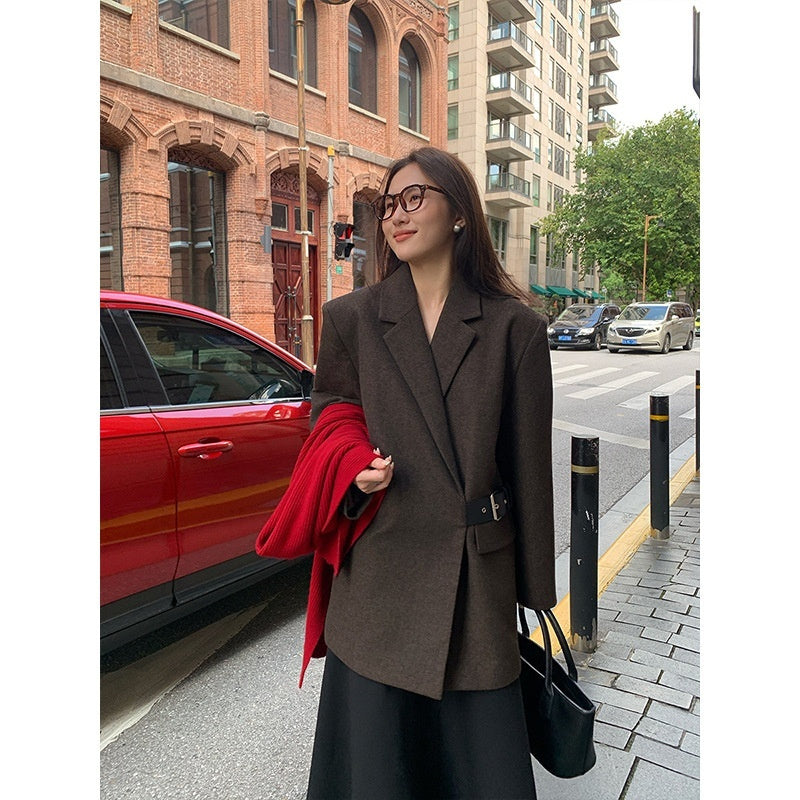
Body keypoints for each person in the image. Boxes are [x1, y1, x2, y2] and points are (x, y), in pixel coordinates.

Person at [304, 147, 556, 799]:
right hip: (378, 577)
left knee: (478, 774)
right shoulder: (352, 318)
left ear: (461, 212)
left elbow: (529, 469)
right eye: (389, 203)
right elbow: (332, 412)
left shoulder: (515, 329)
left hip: (474, 581)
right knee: (379, 771)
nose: (396, 214)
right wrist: (352, 467)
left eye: (414, 198)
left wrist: (533, 589)